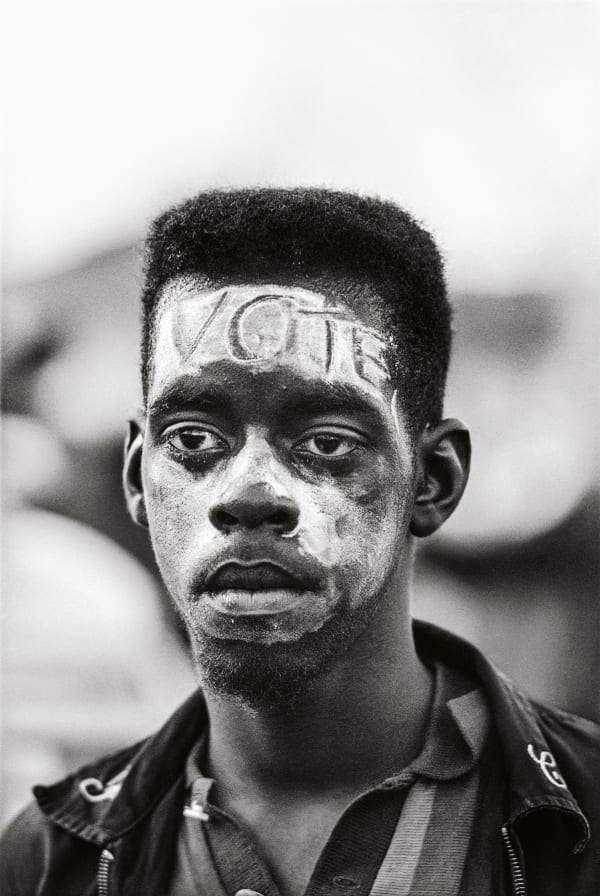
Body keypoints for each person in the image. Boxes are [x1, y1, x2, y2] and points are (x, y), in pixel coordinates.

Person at [1, 188, 598, 895]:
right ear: (137, 474)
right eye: (193, 439)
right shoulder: (50, 858)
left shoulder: (580, 828)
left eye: (325, 441)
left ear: (432, 480)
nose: (248, 493)